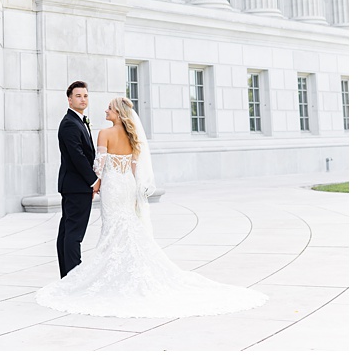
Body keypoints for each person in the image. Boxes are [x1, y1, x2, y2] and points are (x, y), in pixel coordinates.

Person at [36, 97, 267, 317]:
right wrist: (136, 191)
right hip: (127, 186)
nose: (105, 111)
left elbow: (100, 165)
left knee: (112, 227)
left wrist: (96, 183)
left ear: (117, 113)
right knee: (127, 224)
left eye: (109, 108)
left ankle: (111, 274)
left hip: (113, 188)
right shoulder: (133, 136)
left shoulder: (104, 133)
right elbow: (135, 168)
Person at [55, 81, 99, 278]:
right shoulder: (69, 124)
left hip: (75, 186)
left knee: (67, 230)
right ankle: (73, 276)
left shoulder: (79, 121)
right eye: (78, 96)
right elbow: (77, 156)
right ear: (69, 99)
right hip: (76, 186)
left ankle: (67, 276)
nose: (83, 99)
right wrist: (94, 180)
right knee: (74, 234)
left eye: (85, 96)